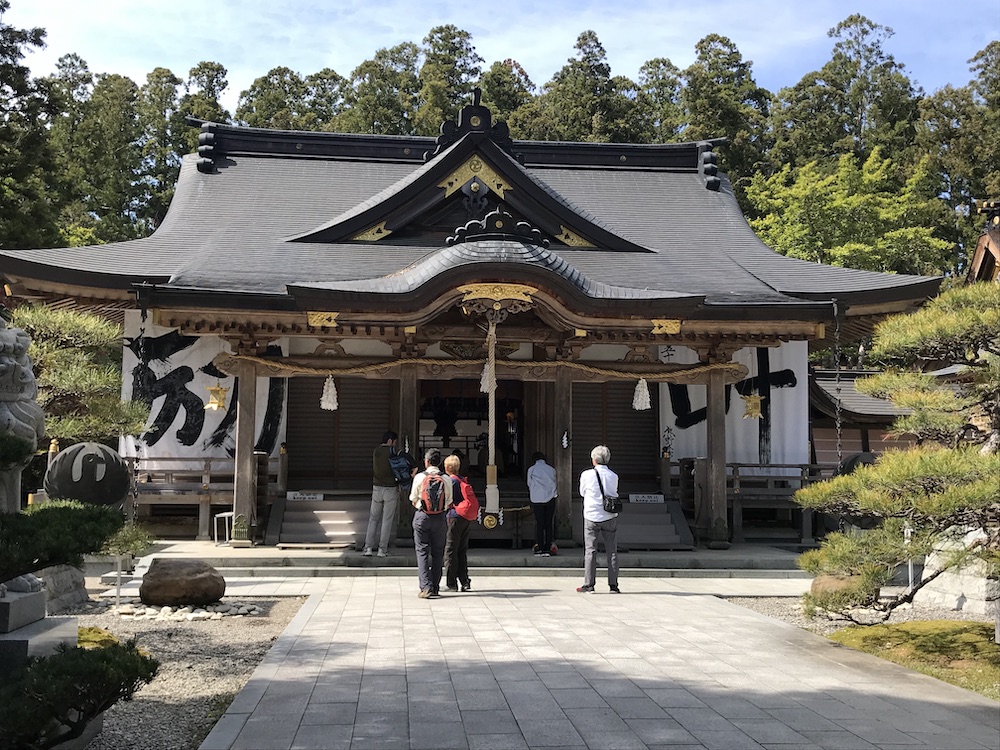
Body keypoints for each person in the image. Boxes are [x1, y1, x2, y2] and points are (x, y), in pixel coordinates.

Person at [577, 445, 621, 594]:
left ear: (594, 460)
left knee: (591, 550)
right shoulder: (613, 475)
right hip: (609, 515)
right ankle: (613, 585)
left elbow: (582, 492)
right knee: (612, 551)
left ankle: (589, 584)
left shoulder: (586, 475)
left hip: (591, 515)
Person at [410, 448, 453, 598]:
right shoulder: (446, 478)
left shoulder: (420, 477)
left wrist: (421, 506)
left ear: (426, 461)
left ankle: (425, 586)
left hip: (422, 516)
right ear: (439, 462)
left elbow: (413, 498)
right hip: (440, 518)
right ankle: (435, 586)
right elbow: (449, 501)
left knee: (422, 551)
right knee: (438, 553)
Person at [443, 454, 479, 592]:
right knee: (461, 550)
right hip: (465, 517)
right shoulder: (462, 480)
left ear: (447, 467)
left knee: (450, 549)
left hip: (453, 516)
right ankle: (465, 581)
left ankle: (451, 583)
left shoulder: (450, 482)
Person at [362, 431, 400, 557]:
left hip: (376, 488)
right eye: (394, 442)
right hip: (390, 488)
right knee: (386, 520)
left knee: (373, 519)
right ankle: (382, 549)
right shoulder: (392, 452)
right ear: (390, 440)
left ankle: (368, 547)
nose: (395, 444)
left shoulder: (376, 451)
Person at [526, 452, 557, 557]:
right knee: (548, 524)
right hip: (550, 498)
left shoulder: (531, 469)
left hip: (537, 499)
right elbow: (555, 482)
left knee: (540, 524)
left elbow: (529, 484)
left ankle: (539, 547)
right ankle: (548, 548)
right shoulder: (551, 469)